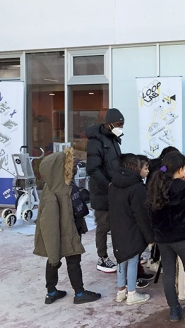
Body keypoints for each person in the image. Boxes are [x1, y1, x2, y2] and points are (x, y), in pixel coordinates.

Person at [34, 147, 101, 305]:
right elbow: (49, 223)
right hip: (64, 233)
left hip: (69, 230)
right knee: (65, 261)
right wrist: (52, 247)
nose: (76, 168)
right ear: (61, 168)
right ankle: (79, 293)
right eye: (73, 165)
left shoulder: (61, 186)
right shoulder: (56, 193)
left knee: (54, 261)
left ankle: (51, 292)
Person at [146, 151, 185, 324]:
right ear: (181, 169)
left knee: (168, 273)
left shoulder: (155, 185)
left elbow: (150, 212)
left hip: (163, 238)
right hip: (182, 237)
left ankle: (174, 310)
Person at [109, 154, 155, 305]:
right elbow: (141, 215)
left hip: (117, 228)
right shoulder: (136, 187)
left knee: (121, 259)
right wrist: (150, 237)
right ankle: (132, 293)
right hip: (131, 229)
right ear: (134, 167)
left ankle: (121, 291)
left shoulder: (113, 184)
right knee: (133, 260)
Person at [85, 108, 125, 273]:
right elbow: (92, 169)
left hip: (115, 190)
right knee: (103, 226)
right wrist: (108, 185)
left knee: (117, 225)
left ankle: (121, 254)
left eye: (122, 124)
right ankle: (102, 258)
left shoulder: (114, 139)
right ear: (109, 124)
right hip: (102, 193)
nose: (121, 127)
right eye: (118, 124)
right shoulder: (96, 142)